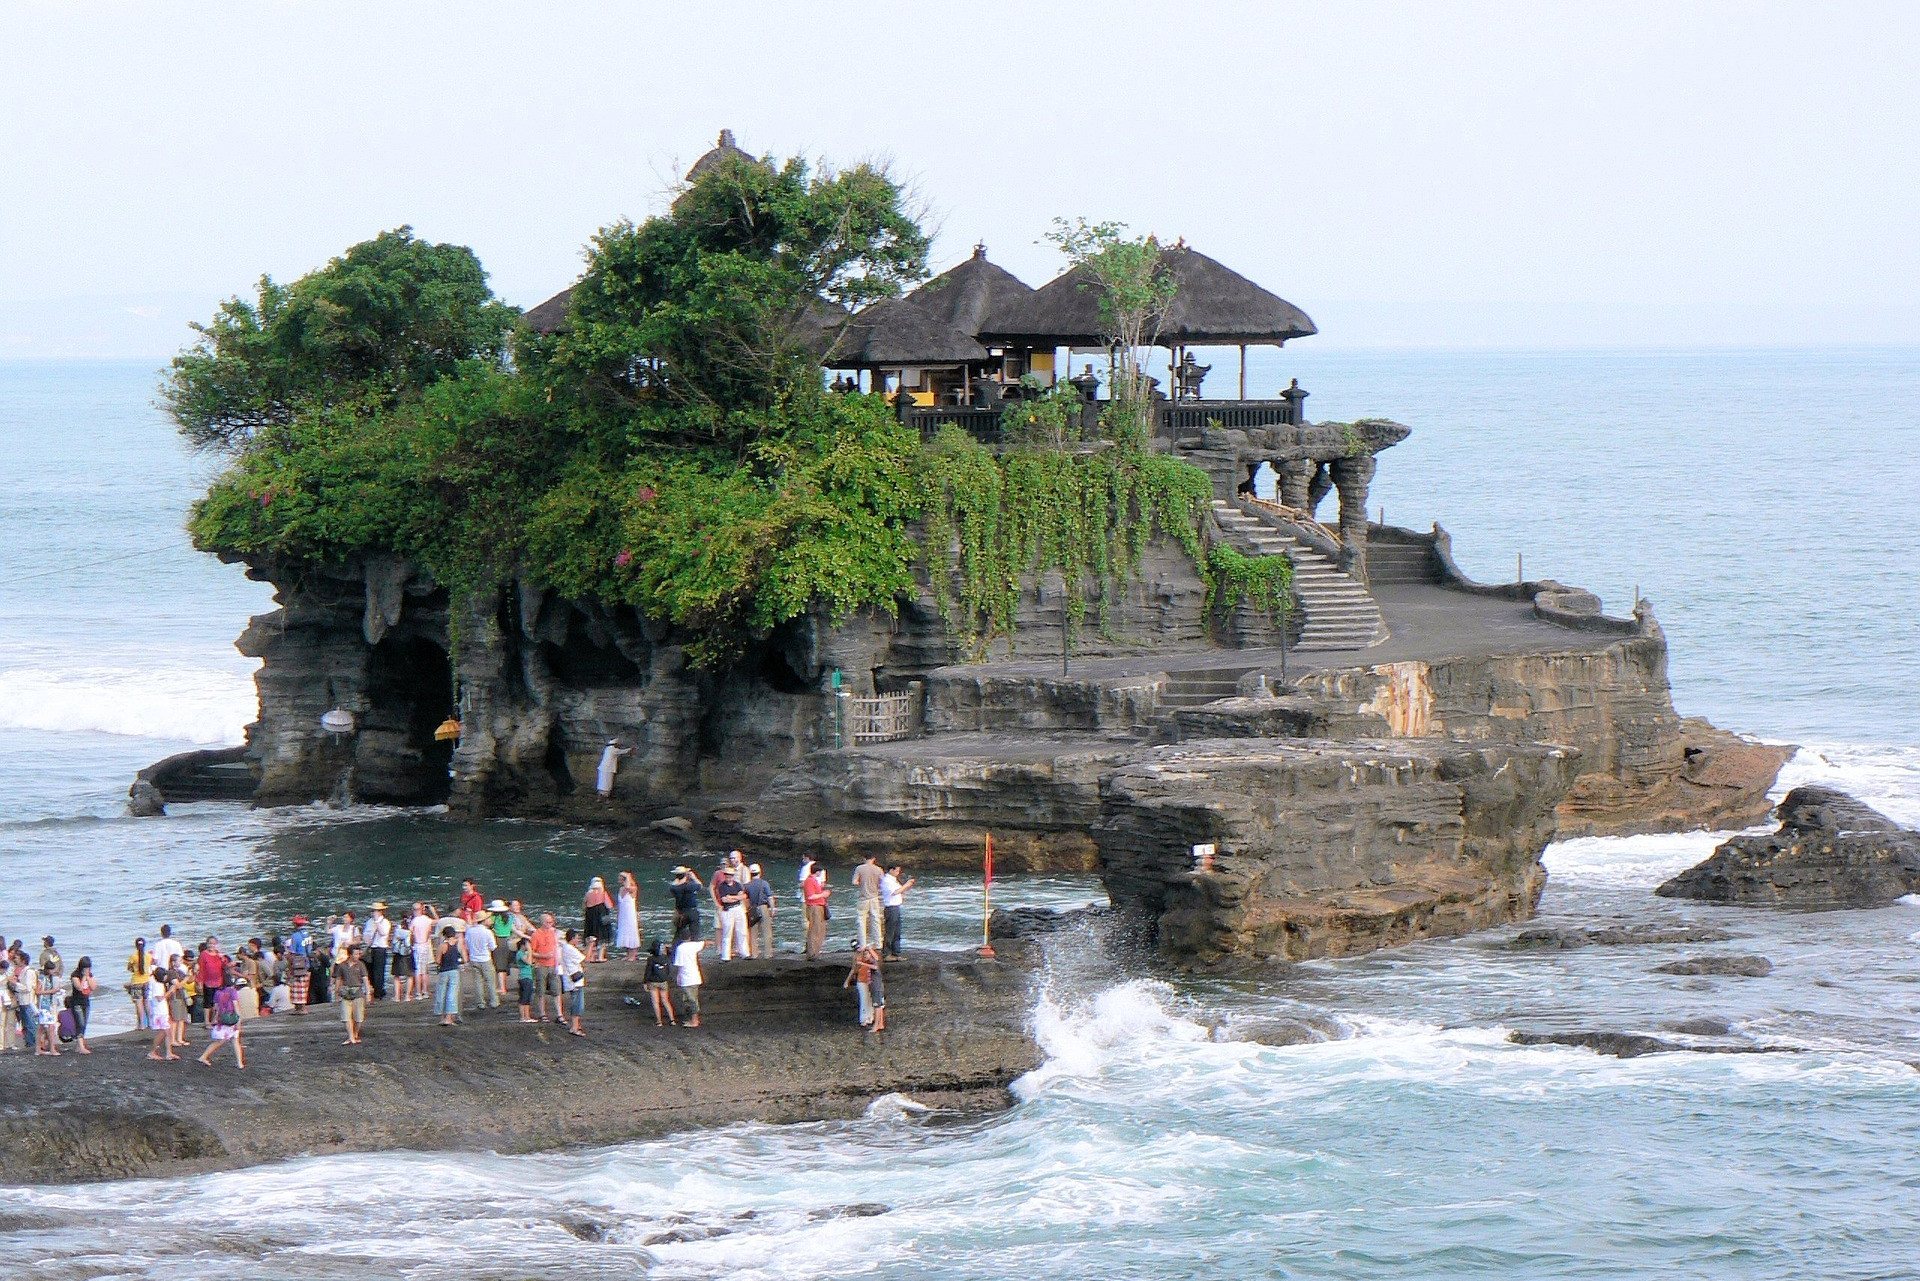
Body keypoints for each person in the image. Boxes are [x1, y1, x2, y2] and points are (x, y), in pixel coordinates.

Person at [197, 981, 244, 1069]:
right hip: (231, 1019)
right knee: (234, 1041)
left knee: (221, 1041)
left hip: (221, 1019)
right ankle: (239, 1063)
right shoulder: (233, 992)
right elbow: (236, 1006)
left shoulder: (218, 993)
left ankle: (204, 1056)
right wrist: (239, 1021)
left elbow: (215, 1008)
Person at [462, 912, 499, 1010]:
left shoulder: (470, 931)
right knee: (490, 981)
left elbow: (466, 945)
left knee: (478, 982)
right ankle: (494, 1001)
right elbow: (493, 947)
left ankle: (480, 1002)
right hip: (485, 959)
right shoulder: (488, 932)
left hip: (474, 958)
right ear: (484, 920)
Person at [528, 912, 561, 1022]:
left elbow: (557, 948)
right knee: (540, 991)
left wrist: (558, 962)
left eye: (551, 922)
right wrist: (543, 956)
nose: (550, 924)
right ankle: (542, 1014)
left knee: (556, 990)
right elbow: (531, 952)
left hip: (553, 965)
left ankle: (559, 1014)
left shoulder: (554, 933)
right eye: (548, 922)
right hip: (541, 966)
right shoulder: (536, 934)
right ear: (542, 923)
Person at [336, 941, 370, 1045]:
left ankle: (355, 1034)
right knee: (346, 1017)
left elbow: (365, 979)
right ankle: (351, 1037)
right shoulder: (342, 965)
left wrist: (368, 993)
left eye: (358, 954)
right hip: (346, 993)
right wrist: (337, 992)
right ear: (350, 954)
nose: (357, 956)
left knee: (359, 1018)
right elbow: (338, 979)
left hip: (358, 993)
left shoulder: (361, 965)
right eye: (355, 954)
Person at [845, 946, 885, 1031]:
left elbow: (875, 964)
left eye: (867, 954)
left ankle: (875, 1025)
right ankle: (878, 1023)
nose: (865, 956)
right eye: (864, 954)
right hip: (872, 985)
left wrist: (868, 949)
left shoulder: (873, 962)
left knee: (877, 1006)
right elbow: (854, 969)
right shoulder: (866, 960)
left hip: (876, 986)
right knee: (877, 1005)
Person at [850, 854, 885, 951]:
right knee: (876, 920)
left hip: (863, 898)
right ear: (874, 859)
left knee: (861, 920)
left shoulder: (859, 868)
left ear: (864, 858)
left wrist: (862, 882)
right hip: (874, 897)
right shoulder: (878, 869)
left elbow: (854, 882)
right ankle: (878, 943)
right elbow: (883, 883)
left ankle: (862, 944)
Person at [714, 864, 749, 961]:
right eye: (727, 875)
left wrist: (732, 897)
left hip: (738, 908)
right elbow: (724, 900)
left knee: (742, 931)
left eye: (730, 875)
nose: (728, 877)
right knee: (727, 932)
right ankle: (725, 956)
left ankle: (744, 953)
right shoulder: (722, 886)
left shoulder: (737, 884)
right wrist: (736, 897)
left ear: (733, 876)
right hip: (728, 910)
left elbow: (743, 896)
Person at [881, 865, 916, 960]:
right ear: (891, 870)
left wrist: (907, 885)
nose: (898, 873)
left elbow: (901, 891)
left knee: (897, 931)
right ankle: (887, 954)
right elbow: (895, 892)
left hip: (896, 907)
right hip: (891, 908)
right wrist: (907, 885)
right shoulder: (887, 880)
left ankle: (896, 952)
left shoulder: (893, 880)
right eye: (897, 871)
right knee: (890, 931)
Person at [671, 932, 705, 1028]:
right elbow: (705, 943)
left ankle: (695, 1021)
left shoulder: (680, 948)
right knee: (692, 999)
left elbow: (679, 964)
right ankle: (693, 1019)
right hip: (696, 977)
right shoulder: (694, 945)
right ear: (690, 938)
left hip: (686, 978)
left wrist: (677, 978)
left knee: (690, 1000)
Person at [433, 923, 465, 1026]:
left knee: (441, 993)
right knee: (452, 995)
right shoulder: (458, 944)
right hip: (454, 971)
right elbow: (464, 958)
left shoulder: (442, 946)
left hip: (444, 971)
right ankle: (449, 1018)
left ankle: (442, 1017)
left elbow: (437, 961)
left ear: (444, 935)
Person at [559, 928, 588, 1037]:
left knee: (577, 1003)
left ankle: (576, 1026)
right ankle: (574, 1027)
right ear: (572, 938)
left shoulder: (566, 948)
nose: (578, 940)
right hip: (574, 982)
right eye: (577, 938)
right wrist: (590, 945)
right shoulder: (570, 948)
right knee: (578, 1004)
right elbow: (586, 958)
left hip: (572, 980)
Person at [146, 964, 177, 1060]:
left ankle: (169, 1053)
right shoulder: (158, 985)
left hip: (162, 1011)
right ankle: (153, 1052)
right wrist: (170, 991)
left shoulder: (158, 984)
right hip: (159, 1012)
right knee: (164, 1032)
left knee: (167, 1032)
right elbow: (160, 998)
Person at [407, 904, 438, 1001]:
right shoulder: (426, 919)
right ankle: (425, 991)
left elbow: (410, 934)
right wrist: (433, 911)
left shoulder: (414, 921)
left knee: (418, 971)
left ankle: (418, 992)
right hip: (425, 945)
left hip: (417, 945)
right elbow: (438, 921)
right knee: (424, 970)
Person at [487, 900, 516, 1001]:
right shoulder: (510, 917)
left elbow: (487, 925)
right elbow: (513, 929)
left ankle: (501, 988)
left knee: (499, 966)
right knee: (504, 965)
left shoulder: (494, 918)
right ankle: (503, 986)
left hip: (498, 940)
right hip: (507, 941)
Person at [745, 863, 775, 959]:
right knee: (767, 932)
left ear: (750, 874)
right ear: (760, 872)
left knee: (753, 933)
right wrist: (772, 908)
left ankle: (754, 954)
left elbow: (746, 899)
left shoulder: (747, 885)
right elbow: (770, 897)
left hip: (752, 908)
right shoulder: (764, 883)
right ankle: (768, 954)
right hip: (763, 908)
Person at [642, 941, 675, 1027]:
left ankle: (659, 1021)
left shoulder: (651, 959)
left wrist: (645, 982)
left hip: (653, 982)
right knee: (666, 1001)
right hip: (663, 982)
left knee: (655, 1002)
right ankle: (672, 1020)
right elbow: (669, 970)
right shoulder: (666, 958)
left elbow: (648, 972)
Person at [802, 862, 831, 960]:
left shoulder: (813, 880)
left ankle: (815, 952)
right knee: (815, 930)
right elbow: (810, 896)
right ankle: (812, 953)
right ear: (817, 872)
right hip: (814, 907)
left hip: (818, 907)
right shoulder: (810, 881)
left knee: (819, 930)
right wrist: (823, 894)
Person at [33, 960, 62, 1055]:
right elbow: (37, 991)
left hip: (47, 1004)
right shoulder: (42, 978)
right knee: (50, 1027)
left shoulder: (49, 978)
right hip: (43, 1006)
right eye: (52, 970)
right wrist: (52, 991)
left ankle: (38, 1049)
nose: (53, 972)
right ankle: (52, 1049)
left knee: (41, 1028)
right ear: (48, 970)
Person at [286, 916, 313, 1014]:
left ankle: (300, 1008)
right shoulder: (308, 935)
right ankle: (302, 1007)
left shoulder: (295, 936)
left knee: (297, 986)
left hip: (298, 963)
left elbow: (292, 952)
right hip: (307, 962)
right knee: (304, 986)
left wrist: (290, 967)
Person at [66, 956, 93, 1054]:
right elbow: (79, 987)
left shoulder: (89, 974)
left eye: (88, 968)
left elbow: (93, 987)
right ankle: (81, 1047)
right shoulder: (75, 975)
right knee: (80, 1023)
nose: (87, 970)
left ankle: (79, 1045)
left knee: (84, 1024)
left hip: (86, 1002)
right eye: (85, 968)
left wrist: (88, 977)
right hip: (77, 1002)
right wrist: (84, 977)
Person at [365, 903, 393, 1001]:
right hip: (371, 948)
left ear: (380, 911)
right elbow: (366, 934)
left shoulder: (385, 922)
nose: (373, 912)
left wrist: (377, 923)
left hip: (381, 948)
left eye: (375, 910)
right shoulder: (369, 921)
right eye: (373, 910)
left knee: (379, 971)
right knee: (370, 970)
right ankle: (374, 988)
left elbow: (383, 933)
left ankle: (379, 991)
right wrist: (367, 940)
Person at [582, 878, 613, 963]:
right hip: (602, 915)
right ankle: (600, 957)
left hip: (590, 916)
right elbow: (609, 905)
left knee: (591, 935)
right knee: (603, 936)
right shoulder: (603, 893)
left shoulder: (588, 893)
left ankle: (591, 956)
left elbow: (584, 905)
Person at [125, 937, 153, 1029]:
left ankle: (141, 1025)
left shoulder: (133, 956)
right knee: (146, 1002)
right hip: (146, 981)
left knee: (139, 1003)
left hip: (136, 981)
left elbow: (129, 968)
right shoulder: (148, 956)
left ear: (136, 946)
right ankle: (150, 1022)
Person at [614, 871, 641, 961]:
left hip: (630, 914)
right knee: (625, 932)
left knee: (631, 931)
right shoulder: (621, 889)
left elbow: (628, 887)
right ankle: (628, 954)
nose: (618, 879)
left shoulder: (633, 888)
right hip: (623, 914)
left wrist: (628, 877)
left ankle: (633, 955)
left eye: (620, 877)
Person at [669, 867, 702, 940]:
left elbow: (673, 884)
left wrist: (679, 877)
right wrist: (694, 877)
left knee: (679, 932)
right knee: (694, 933)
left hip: (681, 913)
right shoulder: (691, 886)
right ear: (685, 875)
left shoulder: (674, 888)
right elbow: (700, 885)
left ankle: (675, 948)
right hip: (692, 911)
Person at [511, 937, 535, 1023]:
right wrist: (530, 951)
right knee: (524, 998)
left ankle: (527, 1016)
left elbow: (531, 962)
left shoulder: (523, 953)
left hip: (527, 977)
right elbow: (528, 962)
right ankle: (523, 1017)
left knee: (527, 997)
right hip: (524, 977)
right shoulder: (520, 954)